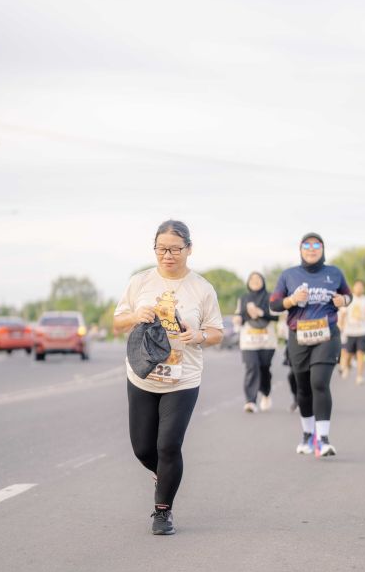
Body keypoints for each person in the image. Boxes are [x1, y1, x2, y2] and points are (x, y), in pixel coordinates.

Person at [113, 220, 223, 535]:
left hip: (183, 378)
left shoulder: (202, 288)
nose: (168, 255)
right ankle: (165, 475)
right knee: (143, 449)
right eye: (161, 249)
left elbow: (217, 332)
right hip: (143, 375)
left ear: (189, 249)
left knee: (169, 445)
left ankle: (163, 511)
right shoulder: (140, 282)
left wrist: (198, 335)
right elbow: (118, 322)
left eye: (175, 249)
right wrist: (136, 316)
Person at [270, 233, 351, 457]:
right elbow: (274, 304)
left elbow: (348, 296)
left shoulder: (334, 273)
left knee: (319, 383)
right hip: (299, 338)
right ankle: (308, 434)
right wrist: (292, 300)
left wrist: (343, 300)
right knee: (303, 388)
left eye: (317, 245)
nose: (312, 249)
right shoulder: (289, 275)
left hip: (327, 335)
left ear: (322, 249)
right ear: (301, 250)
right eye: (307, 245)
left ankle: (323, 439)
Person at [235, 272, 278, 412]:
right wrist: (238, 318)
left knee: (264, 369)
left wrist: (261, 313)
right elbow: (239, 314)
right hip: (248, 341)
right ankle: (250, 401)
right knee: (251, 367)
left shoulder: (271, 297)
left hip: (267, 341)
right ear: (248, 282)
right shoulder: (243, 298)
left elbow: (277, 316)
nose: (255, 281)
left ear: (263, 281)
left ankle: (266, 393)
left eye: (258, 278)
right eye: (252, 279)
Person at [339, 279, 365, 384]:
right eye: (357, 286)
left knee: (361, 353)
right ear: (353, 287)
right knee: (349, 354)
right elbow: (343, 314)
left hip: (363, 331)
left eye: (361, 287)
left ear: (363, 288)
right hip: (350, 331)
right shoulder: (349, 299)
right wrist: (341, 326)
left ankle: (359, 376)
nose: (359, 288)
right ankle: (347, 366)